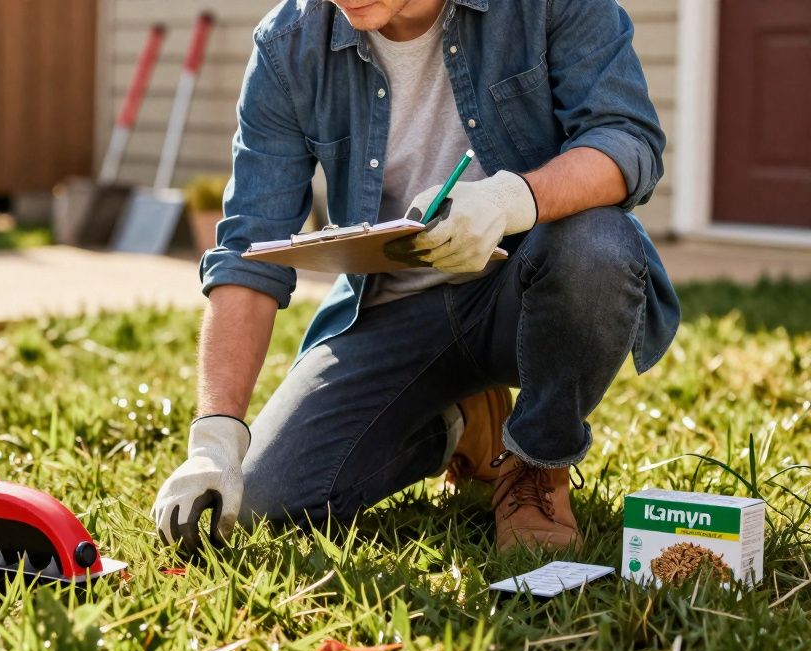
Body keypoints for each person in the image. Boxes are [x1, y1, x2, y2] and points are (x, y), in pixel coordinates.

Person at [151, 0, 680, 554]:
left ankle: (535, 465)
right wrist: (215, 439)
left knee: (598, 244)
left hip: (526, 290)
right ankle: (462, 422)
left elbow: (625, 139)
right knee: (266, 502)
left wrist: (509, 199)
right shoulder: (288, 46)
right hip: (392, 310)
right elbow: (248, 253)